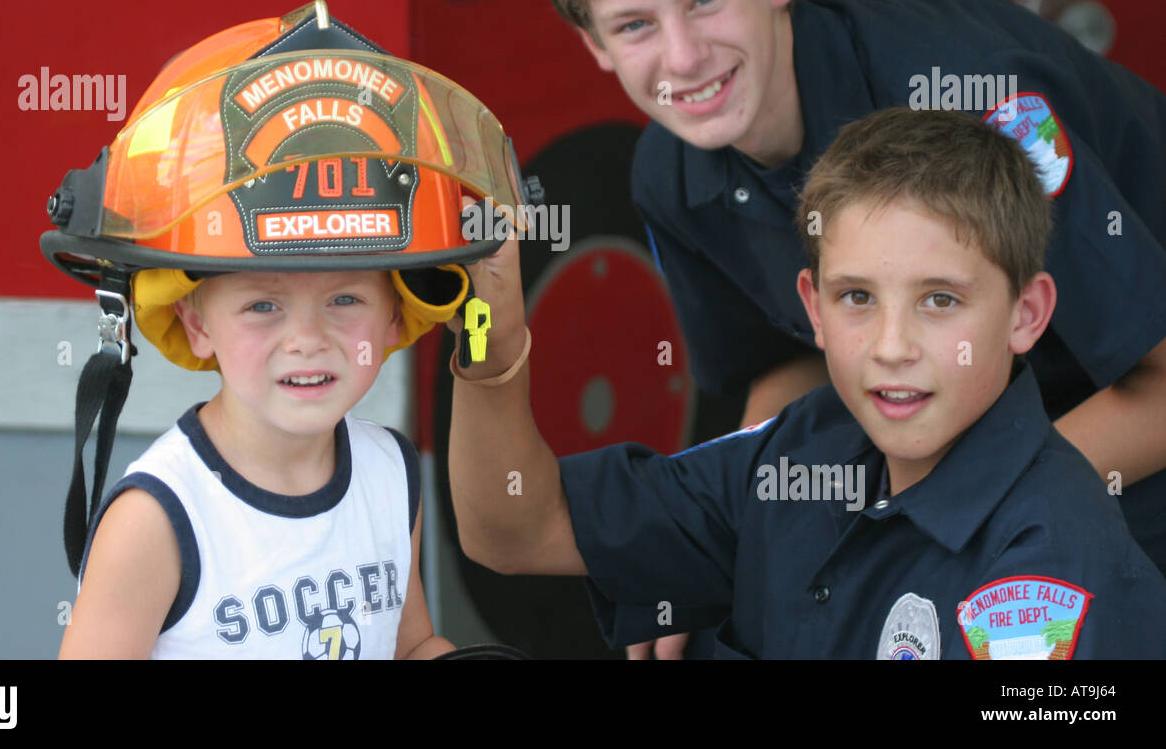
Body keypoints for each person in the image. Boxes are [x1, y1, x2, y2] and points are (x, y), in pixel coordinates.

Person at [531, 0, 1166, 608]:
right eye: (634, 25)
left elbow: (1158, 386)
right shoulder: (669, 173)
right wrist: (719, 549)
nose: (683, 58)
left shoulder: (978, 105)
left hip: (1129, 415)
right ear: (595, 45)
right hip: (973, 437)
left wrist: (952, 517)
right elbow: (783, 370)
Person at [447, 108, 1166, 658]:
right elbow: (514, 530)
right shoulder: (798, 455)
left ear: (1027, 313)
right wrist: (492, 342)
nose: (891, 347)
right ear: (812, 308)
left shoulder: (1049, 573)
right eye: (857, 297)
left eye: (940, 300)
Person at [40, 1, 525, 658]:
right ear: (194, 319)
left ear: (394, 316)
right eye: (263, 306)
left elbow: (407, 643)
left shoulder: (390, 472)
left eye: (346, 299)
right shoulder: (158, 521)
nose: (307, 338)